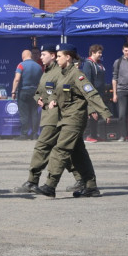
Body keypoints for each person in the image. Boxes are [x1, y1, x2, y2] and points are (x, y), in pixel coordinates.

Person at [32, 43, 112, 198]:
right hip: (65, 118)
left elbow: (91, 93)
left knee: (60, 150)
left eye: (59, 56)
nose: (57, 59)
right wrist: (51, 100)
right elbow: (55, 90)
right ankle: (91, 187)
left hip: (74, 119)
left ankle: (50, 185)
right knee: (78, 154)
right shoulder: (62, 74)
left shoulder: (77, 75)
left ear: (68, 57)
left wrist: (104, 111)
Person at [15, 43, 83, 193]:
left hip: (56, 116)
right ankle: (81, 179)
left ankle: (32, 181)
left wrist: (50, 100)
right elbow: (39, 91)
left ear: (52, 56)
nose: (40, 57)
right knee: (62, 151)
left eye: (43, 54)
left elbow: (63, 92)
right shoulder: (46, 72)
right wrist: (39, 98)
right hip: (48, 115)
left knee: (42, 147)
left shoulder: (60, 72)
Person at [11, 48, 42, 140]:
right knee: (34, 113)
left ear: (23, 56)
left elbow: (17, 79)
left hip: (23, 91)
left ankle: (24, 134)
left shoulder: (21, 65)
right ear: (31, 56)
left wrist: (13, 91)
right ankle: (35, 134)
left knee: (24, 114)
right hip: (35, 91)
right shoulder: (38, 66)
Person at [80, 44, 107, 143]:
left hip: (99, 94)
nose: (101, 54)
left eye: (101, 52)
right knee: (91, 114)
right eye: (99, 53)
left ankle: (94, 135)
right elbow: (87, 82)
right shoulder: (88, 64)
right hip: (92, 94)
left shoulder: (99, 64)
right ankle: (88, 135)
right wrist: (90, 96)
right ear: (93, 53)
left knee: (97, 115)